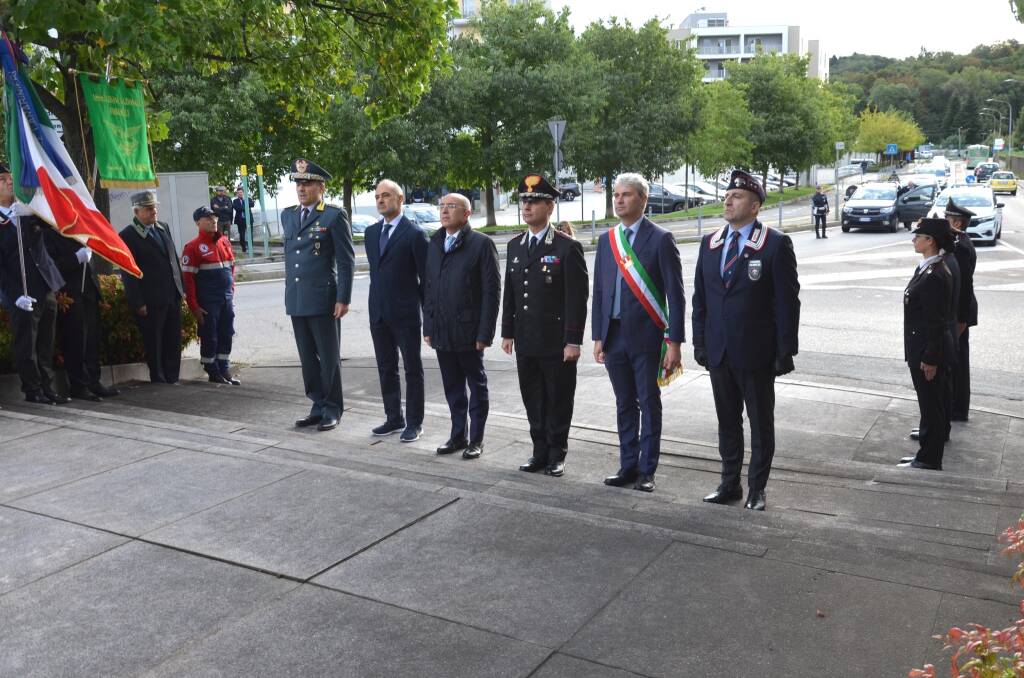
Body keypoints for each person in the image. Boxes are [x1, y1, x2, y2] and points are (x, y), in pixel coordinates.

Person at [692, 170, 801, 511]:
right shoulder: (710, 244)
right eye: (727, 196)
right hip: (719, 350)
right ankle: (729, 484)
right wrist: (699, 342)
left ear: (754, 207)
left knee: (760, 422)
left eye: (737, 197)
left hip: (756, 351)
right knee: (727, 421)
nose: (728, 200)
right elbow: (701, 299)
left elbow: (786, 302)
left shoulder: (774, 244)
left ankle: (757, 488)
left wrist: (786, 349)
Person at [592, 173, 685, 493]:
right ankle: (628, 464)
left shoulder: (660, 238)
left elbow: (676, 294)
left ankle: (648, 470)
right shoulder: (607, 241)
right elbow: (601, 292)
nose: (619, 200)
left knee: (648, 401)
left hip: (647, 337)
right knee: (623, 404)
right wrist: (598, 335)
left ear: (643, 200)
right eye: (616, 195)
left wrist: (674, 342)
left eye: (626, 195)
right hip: (614, 335)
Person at [501, 174, 589, 477]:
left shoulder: (566, 247)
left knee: (558, 397)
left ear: (550, 207)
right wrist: (507, 332)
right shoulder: (515, 246)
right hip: (526, 338)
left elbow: (577, 299)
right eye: (524, 201)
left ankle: (556, 452)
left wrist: (573, 341)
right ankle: (538, 450)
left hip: (556, 340)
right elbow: (510, 293)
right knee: (533, 396)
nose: (527, 207)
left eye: (534, 202)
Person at [423, 192, 500, 460]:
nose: (444, 211)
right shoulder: (434, 242)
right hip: (442, 330)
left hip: (469, 331)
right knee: (452, 387)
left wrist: (485, 333)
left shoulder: (480, 244)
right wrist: (428, 326)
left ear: (467, 214)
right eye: (442, 206)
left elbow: (491, 293)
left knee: (476, 386)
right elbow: (429, 289)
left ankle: (476, 439)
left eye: (451, 206)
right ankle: (458, 435)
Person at [282, 158, 354, 432]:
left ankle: (333, 408)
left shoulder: (334, 216)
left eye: (308, 183)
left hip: (324, 298)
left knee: (328, 356)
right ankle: (317, 404)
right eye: (299, 183)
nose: (302, 188)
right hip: (297, 298)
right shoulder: (288, 215)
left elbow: (346, 262)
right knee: (308, 358)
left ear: (321, 187)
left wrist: (343, 298)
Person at [365, 179, 429, 443]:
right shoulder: (370, 233)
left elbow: (426, 279)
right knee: (385, 367)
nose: (381, 200)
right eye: (378, 196)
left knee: (412, 368)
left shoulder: (414, 233)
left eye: (387, 195)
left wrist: (430, 319)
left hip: (406, 314)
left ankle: (414, 422)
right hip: (378, 312)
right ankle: (394, 417)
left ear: (400, 199)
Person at [0, 165, 68, 404]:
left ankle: (49, 388)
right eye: (3, 179)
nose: (10, 182)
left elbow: (53, 221)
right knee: (26, 344)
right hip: (21, 292)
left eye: (11, 178)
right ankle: (33, 390)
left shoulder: (28, 210)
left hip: (44, 285)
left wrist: (30, 211)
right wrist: (15, 294)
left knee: (46, 343)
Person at [898, 218, 955, 471]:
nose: (914, 240)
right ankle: (926, 452)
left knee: (931, 404)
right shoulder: (929, 267)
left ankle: (929, 458)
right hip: (922, 348)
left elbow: (936, 322)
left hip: (927, 351)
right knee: (930, 403)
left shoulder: (934, 274)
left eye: (917, 236)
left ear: (929, 241)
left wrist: (930, 358)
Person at [42, 220, 120, 401]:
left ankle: (94, 380)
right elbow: (51, 266)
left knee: (92, 339)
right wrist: (76, 258)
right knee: (76, 341)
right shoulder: (49, 233)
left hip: (88, 291)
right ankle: (79, 385)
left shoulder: (77, 230)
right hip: (69, 293)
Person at [119, 191, 185, 384]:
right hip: (151, 299)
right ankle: (158, 379)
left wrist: (181, 288)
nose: (153, 211)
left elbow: (173, 260)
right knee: (155, 342)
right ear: (137, 211)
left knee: (173, 339)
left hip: (172, 295)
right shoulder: (127, 235)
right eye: (149, 209)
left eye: (154, 207)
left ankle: (173, 378)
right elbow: (128, 273)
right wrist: (138, 302)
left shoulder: (163, 227)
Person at [181, 206, 239, 385]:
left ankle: (224, 368)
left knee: (226, 333)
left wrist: (231, 291)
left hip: (225, 298)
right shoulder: (192, 247)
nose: (213, 221)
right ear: (198, 223)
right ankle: (212, 371)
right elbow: (188, 280)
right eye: (208, 218)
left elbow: (231, 268)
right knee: (210, 336)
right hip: (208, 301)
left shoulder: (224, 242)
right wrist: (194, 306)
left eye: (214, 218)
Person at [944, 199, 978, 422]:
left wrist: (961, 319)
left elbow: (965, 286)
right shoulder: (959, 242)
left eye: (947, 219)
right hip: (959, 312)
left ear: (956, 222)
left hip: (959, 314)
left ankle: (957, 409)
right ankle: (956, 408)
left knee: (956, 362)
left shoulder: (962, 247)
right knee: (956, 360)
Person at [232, 187, 254, 253]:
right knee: (242, 235)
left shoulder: (248, 199)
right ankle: (243, 247)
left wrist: (243, 206)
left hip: (249, 220)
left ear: (243, 193)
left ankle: (250, 247)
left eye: (241, 192)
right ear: (237, 194)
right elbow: (237, 208)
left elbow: (252, 204)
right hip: (240, 220)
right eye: (238, 193)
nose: (240, 194)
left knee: (250, 234)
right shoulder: (235, 201)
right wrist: (246, 207)